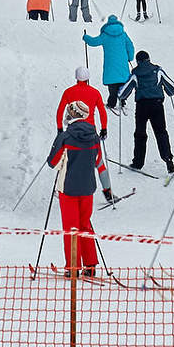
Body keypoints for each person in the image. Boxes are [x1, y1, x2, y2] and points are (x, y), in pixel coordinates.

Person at [46, 102, 115, 275]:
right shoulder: (94, 136)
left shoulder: (66, 137)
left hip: (68, 188)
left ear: (72, 115)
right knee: (85, 225)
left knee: (71, 228)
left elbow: (52, 162)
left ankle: (73, 267)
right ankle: (90, 265)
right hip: (87, 187)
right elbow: (98, 159)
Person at [117, 50, 174, 173]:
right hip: (157, 105)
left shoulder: (135, 74)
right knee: (161, 132)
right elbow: (172, 89)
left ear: (138, 61)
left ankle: (138, 163)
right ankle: (169, 162)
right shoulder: (158, 71)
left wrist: (119, 95)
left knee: (140, 134)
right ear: (149, 59)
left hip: (142, 106)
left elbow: (122, 93)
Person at [83, 15, 135, 109]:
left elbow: (94, 42)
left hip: (110, 64)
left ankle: (112, 103)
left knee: (112, 84)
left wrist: (86, 37)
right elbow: (130, 46)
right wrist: (130, 57)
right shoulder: (123, 34)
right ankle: (122, 100)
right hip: (122, 63)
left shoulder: (105, 35)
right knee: (122, 82)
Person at [55, 66, 109, 135]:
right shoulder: (96, 93)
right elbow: (102, 112)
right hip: (90, 129)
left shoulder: (68, 92)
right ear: (88, 78)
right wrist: (104, 129)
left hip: (73, 128)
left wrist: (60, 129)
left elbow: (60, 111)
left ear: (76, 77)